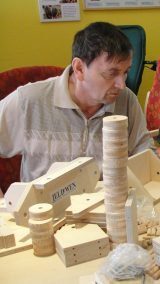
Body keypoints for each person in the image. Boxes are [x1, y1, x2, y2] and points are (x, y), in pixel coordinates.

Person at [0, 22, 152, 183]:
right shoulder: (29, 101)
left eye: (125, 72)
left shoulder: (126, 100)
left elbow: (146, 156)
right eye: (111, 73)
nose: (121, 84)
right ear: (79, 68)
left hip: (106, 203)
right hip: (44, 206)